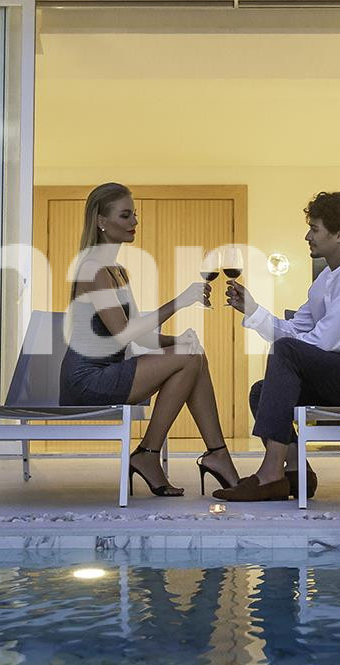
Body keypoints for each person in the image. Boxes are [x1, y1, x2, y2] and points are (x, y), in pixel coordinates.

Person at [214, 190, 340, 502]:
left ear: (339, 233)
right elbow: (294, 330)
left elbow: (326, 341)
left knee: (286, 352)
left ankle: (269, 475)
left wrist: (290, 354)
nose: (307, 236)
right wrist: (252, 309)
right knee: (261, 392)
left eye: (314, 229)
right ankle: (297, 473)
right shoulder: (324, 281)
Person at [61, 182, 241, 497]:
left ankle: (214, 453)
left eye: (135, 214)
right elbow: (124, 334)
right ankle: (152, 453)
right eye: (125, 215)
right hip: (88, 380)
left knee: (193, 353)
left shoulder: (116, 270)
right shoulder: (93, 269)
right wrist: (180, 301)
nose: (134, 222)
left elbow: (139, 336)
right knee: (189, 357)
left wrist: (176, 340)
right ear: (101, 221)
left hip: (110, 371)